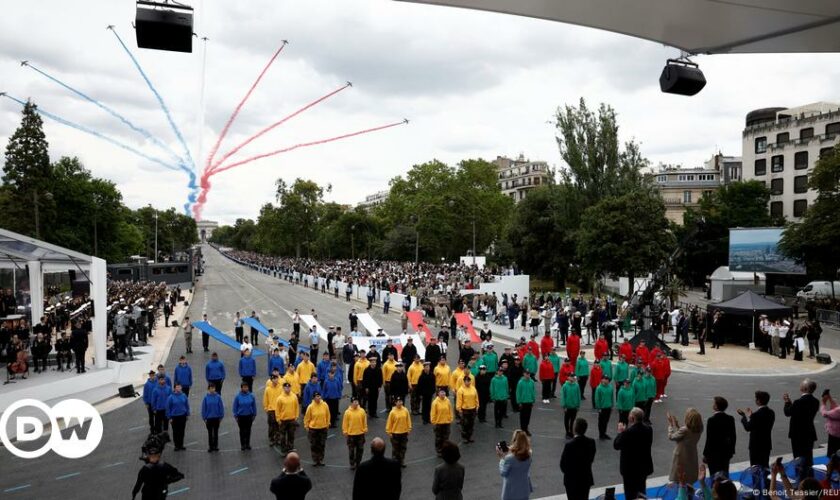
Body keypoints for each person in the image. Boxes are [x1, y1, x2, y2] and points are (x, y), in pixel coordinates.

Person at [614, 407, 654, 500]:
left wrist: (620, 433)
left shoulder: (627, 433)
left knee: (630, 493)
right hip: (643, 466)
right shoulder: (649, 429)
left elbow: (616, 445)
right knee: (641, 491)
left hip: (630, 469)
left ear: (632, 418)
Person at [784, 378, 820, 477]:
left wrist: (787, 402)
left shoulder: (798, 402)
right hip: (809, 433)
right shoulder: (816, 401)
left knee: (798, 458)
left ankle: (801, 480)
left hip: (798, 435)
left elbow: (788, 412)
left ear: (804, 388)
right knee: (808, 457)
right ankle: (810, 478)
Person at [738, 390, 775, 469]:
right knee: (764, 465)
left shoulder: (756, 415)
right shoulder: (771, 412)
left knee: (755, 467)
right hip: (766, 444)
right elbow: (762, 424)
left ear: (758, 401)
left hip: (756, 445)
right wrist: (752, 416)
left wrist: (744, 417)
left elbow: (748, 427)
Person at [560, 418, 596, 500]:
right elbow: (591, 459)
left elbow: (563, 465)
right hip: (585, 478)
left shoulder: (569, 445)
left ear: (574, 429)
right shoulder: (591, 442)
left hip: (572, 480)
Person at [667, 408, 704, 485]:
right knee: (689, 474)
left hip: (681, 455)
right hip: (692, 454)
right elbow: (685, 436)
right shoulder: (699, 428)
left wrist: (670, 426)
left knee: (680, 476)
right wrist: (677, 426)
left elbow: (672, 437)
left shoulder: (685, 430)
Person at [703, 396, 737, 478]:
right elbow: (733, 436)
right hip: (726, 453)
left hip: (713, 454)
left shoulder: (711, 420)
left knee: (713, 475)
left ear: (716, 406)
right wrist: (731, 451)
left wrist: (705, 454)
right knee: (725, 473)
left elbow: (709, 439)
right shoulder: (730, 418)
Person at [498, 429, 533, 500]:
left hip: (511, 492)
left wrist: (501, 458)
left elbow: (503, 472)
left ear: (515, 441)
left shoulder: (509, 458)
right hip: (524, 489)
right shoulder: (529, 455)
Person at [303, 391, 330, 466]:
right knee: (314, 445)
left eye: (319, 396)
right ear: (314, 398)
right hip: (313, 429)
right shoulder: (310, 407)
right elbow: (307, 418)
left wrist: (327, 424)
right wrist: (306, 426)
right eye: (316, 397)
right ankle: (315, 460)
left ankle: (320, 459)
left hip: (323, 428)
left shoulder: (325, 405)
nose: (318, 398)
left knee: (322, 444)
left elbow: (328, 415)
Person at [275, 381, 301, 455]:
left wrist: (296, 416)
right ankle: (283, 449)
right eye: (286, 387)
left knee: (291, 435)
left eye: (289, 387)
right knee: (282, 436)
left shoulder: (294, 396)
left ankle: (290, 447)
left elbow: (297, 407)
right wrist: (278, 419)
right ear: (283, 388)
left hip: (292, 420)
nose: (287, 389)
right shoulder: (280, 398)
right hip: (283, 420)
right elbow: (277, 410)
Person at [385, 397, 412, 467]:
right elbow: (389, 423)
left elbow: (408, 420)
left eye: (401, 401)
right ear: (395, 403)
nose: (400, 403)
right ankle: (394, 462)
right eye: (398, 401)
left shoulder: (405, 410)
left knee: (403, 448)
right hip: (395, 434)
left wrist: (409, 429)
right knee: (395, 449)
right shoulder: (392, 412)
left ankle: (401, 461)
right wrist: (389, 432)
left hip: (404, 432)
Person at [342, 397, 368, 469]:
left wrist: (365, 428)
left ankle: (358, 462)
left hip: (360, 434)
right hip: (351, 435)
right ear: (351, 403)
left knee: (360, 449)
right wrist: (345, 431)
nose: (356, 403)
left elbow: (364, 420)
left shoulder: (362, 411)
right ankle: (352, 463)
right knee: (351, 450)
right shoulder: (347, 412)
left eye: (357, 401)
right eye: (354, 402)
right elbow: (345, 423)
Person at [233, 382, 257, 451]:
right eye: (244, 387)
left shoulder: (251, 396)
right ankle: (243, 444)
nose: (245, 388)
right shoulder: (237, 397)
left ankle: (247, 444)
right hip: (241, 416)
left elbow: (254, 405)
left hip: (249, 416)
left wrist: (254, 414)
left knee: (248, 430)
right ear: (241, 388)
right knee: (242, 431)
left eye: (246, 387)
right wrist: (235, 416)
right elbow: (235, 407)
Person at [165, 383, 190, 451]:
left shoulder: (184, 395)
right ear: (174, 388)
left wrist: (187, 414)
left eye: (179, 387)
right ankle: (176, 445)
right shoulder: (170, 397)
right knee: (175, 432)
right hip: (174, 417)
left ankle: (181, 444)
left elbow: (187, 405)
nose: (178, 388)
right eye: (177, 387)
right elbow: (168, 408)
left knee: (182, 431)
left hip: (182, 416)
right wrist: (169, 417)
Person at [201, 383, 224, 452]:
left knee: (216, 433)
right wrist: (204, 418)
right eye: (211, 388)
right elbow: (203, 408)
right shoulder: (205, 398)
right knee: (210, 433)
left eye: (213, 388)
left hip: (216, 418)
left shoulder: (218, 397)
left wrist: (221, 416)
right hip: (209, 418)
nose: (212, 389)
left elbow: (221, 407)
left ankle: (216, 446)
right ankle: (211, 446)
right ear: (208, 389)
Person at [456, 376, 479, 443]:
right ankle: (465, 437)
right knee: (465, 424)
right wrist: (459, 409)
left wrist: (477, 406)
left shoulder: (473, 389)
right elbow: (459, 400)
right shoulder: (461, 390)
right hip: (465, 410)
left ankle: (469, 437)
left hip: (472, 409)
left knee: (471, 424)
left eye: (469, 381)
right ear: (464, 381)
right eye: (466, 381)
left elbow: (476, 398)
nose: (468, 382)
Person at [432, 388, 454, 455]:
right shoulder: (435, 402)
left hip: (446, 422)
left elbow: (450, 410)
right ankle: (439, 450)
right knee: (439, 438)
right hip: (438, 423)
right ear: (438, 393)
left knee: (446, 438)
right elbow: (433, 413)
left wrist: (451, 419)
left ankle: (445, 450)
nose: (443, 394)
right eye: (441, 392)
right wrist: (434, 422)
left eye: (444, 392)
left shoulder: (447, 401)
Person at [264, 372, 283, 446]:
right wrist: (266, 408)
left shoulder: (281, 388)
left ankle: (277, 438)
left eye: (276, 378)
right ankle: (271, 439)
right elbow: (265, 400)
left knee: (278, 425)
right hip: (271, 410)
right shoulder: (268, 389)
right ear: (271, 380)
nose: (276, 380)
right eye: (274, 379)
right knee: (271, 425)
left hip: (278, 409)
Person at [561, 374, 581, 439]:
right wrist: (564, 406)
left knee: (572, 420)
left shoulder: (576, 386)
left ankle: (571, 431)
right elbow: (563, 396)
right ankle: (567, 432)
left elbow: (578, 395)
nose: (572, 378)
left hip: (574, 406)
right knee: (566, 420)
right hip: (568, 406)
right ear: (568, 377)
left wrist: (578, 405)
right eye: (571, 377)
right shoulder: (565, 386)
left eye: (573, 377)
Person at [821, 390, 840, 457]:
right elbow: (836, 408)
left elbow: (824, 414)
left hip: (835, 435)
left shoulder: (838, 411)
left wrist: (823, 403)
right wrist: (830, 398)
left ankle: (833, 466)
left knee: (833, 454)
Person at [517, 370, 536, 436]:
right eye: (526, 374)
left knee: (528, 416)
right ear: (524, 374)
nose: (528, 375)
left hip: (529, 402)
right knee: (522, 417)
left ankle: (526, 428)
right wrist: (519, 402)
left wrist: (533, 400)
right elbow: (518, 393)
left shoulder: (532, 382)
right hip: (523, 402)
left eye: (528, 374)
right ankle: (523, 429)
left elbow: (533, 392)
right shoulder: (520, 382)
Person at [595, 376, 614, 440]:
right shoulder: (599, 388)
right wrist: (599, 408)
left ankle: (604, 433)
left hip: (608, 407)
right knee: (601, 422)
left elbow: (612, 397)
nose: (606, 380)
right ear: (602, 380)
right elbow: (597, 399)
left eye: (607, 379)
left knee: (606, 421)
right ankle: (601, 434)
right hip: (602, 408)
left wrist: (612, 405)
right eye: (604, 379)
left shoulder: (610, 387)